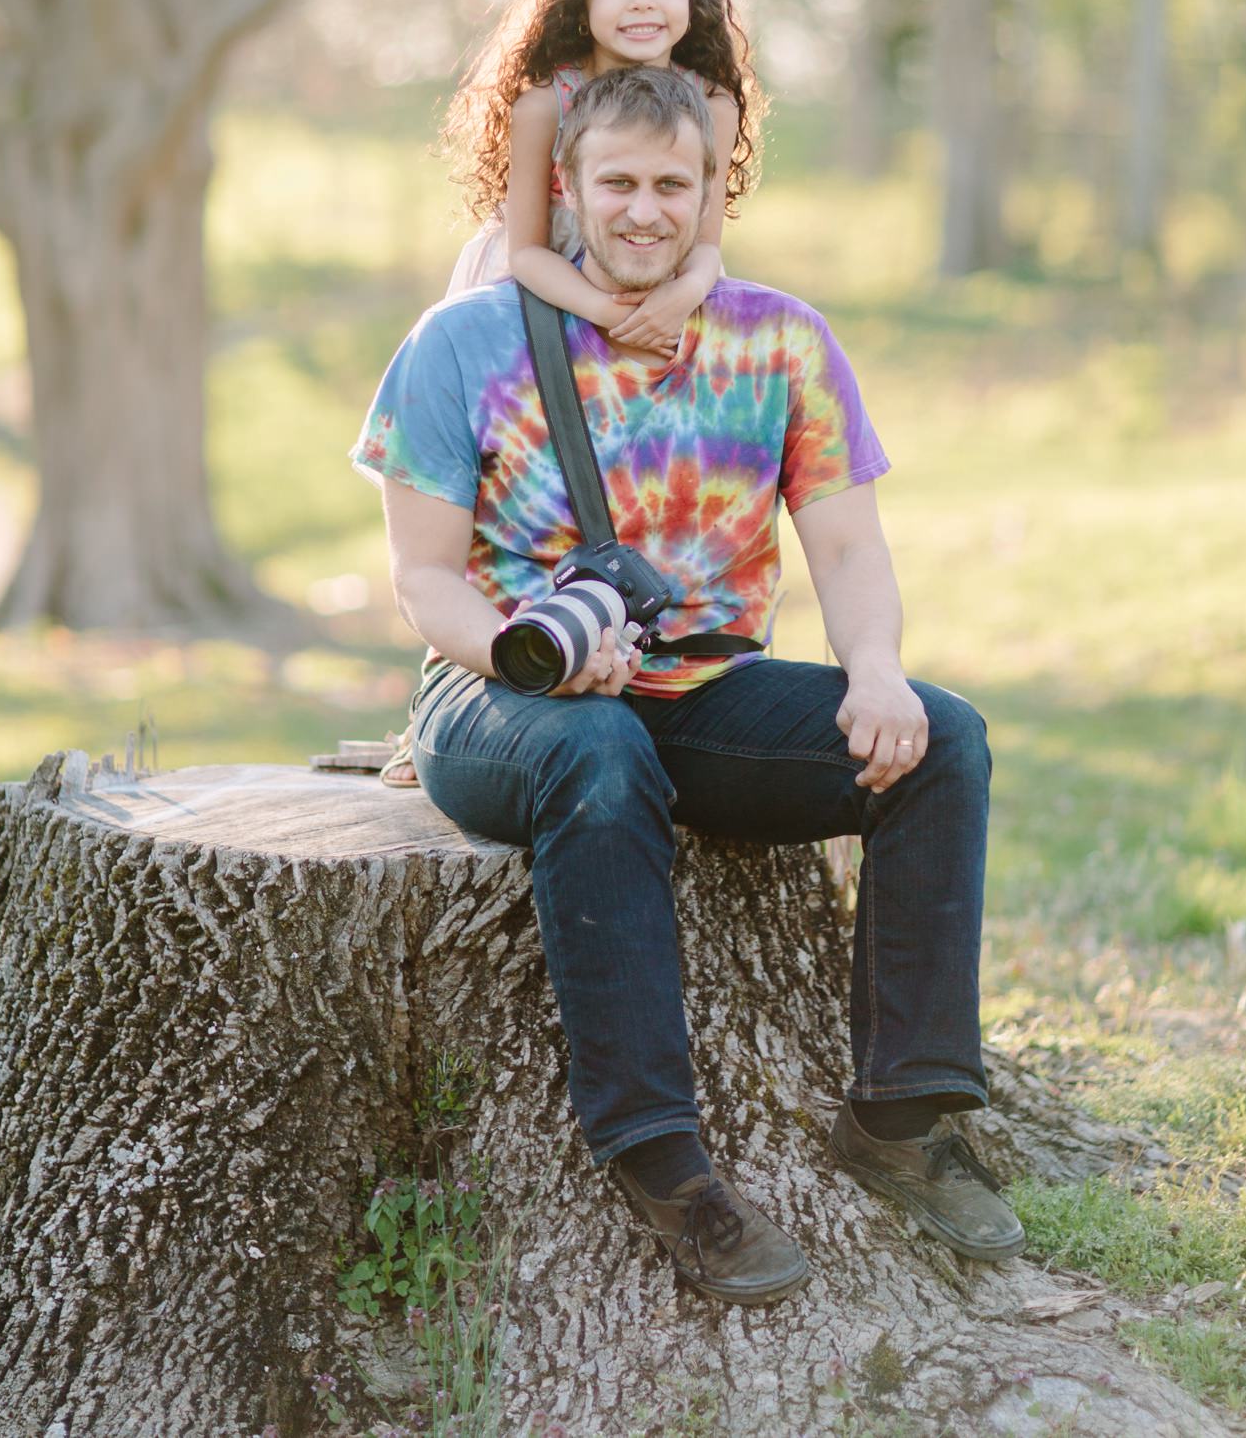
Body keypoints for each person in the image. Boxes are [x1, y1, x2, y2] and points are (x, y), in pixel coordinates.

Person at [351, 66, 1024, 1303]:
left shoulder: (779, 339)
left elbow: (848, 545)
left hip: (703, 687)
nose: (645, 210)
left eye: (674, 183)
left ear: (713, 189)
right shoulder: (466, 340)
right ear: (567, 187)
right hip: (497, 694)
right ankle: (665, 1163)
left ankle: (899, 1121)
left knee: (944, 739)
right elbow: (422, 581)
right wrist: (520, 654)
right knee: (595, 751)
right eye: (617, 182)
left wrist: (874, 672)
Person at [380, 0, 760, 786]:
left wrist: (673, 302)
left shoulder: (710, 100)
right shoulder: (546, 100)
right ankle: (454, 681)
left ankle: (646, 661)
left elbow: (704, 244)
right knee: (486, 501)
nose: (641, 5)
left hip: (658, 284)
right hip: (537, 290)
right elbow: (522, 249)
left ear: (695, 1)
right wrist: (602, 312)